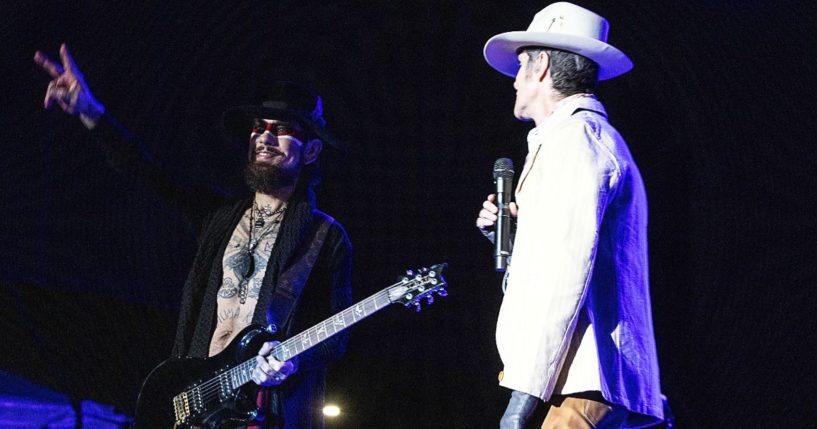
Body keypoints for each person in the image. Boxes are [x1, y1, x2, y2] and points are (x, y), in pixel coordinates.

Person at [34, 44, 352, 429]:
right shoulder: (218, 217)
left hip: (261, 408)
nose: (265, 138)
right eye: (259, 127)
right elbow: (148, 172)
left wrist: (292, 358)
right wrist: (91, 112)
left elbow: (336, 337)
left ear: (312, 150)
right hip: (195, 399)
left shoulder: (325, 238)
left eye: (283, 130)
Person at [475, 3, 664, 428]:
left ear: (541, 66)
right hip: (572, 376)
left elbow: (565, 270)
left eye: (521, 65)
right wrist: (515, 237)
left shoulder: (577, 141)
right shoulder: (569, 139)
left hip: (584, 378)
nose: (514, 81)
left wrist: (521, 400)